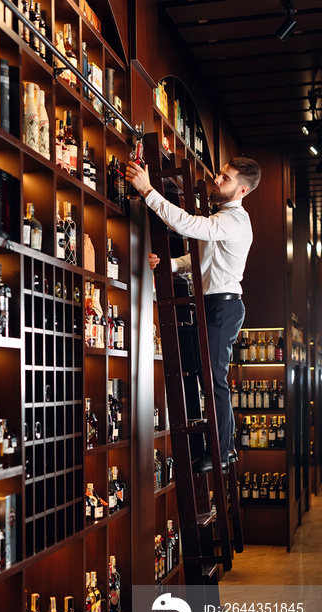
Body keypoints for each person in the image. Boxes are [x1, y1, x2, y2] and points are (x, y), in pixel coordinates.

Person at [125, 156, 261, 471]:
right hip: (213, 303)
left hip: (223, 306)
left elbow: (188, 224)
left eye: (225, 179)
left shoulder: (232, 221)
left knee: (214, 380)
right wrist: (170, 265)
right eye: (219, 173)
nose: (216, 180)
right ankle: (222, 449)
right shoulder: (222, 219)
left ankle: (223, 453)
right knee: (204, 375)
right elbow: (198, 263)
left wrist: (147, 191)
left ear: (241, 190)